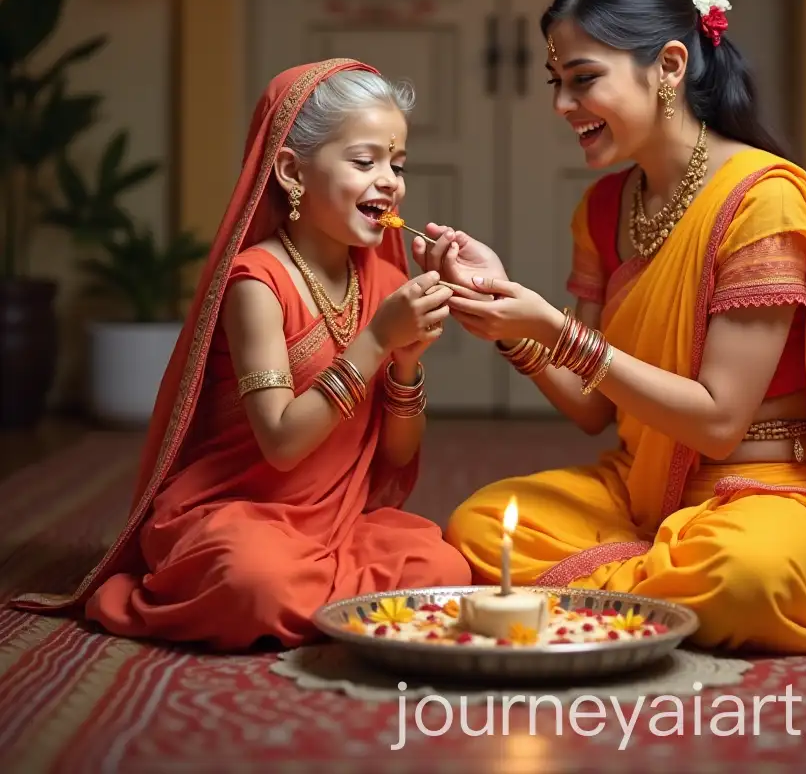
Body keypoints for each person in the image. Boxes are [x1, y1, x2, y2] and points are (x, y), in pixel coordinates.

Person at [415, 0, 806, 654]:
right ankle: (665, 586)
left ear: (671, 66)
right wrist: (505, 319)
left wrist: (554, 331)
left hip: (773, 492)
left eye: (584, 80)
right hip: (647, 491)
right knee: (483, 522)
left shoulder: (762, 199)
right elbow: (594, 410)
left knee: (744, 575)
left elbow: (717, 422)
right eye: (555, 83)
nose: (563, 106)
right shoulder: (602, 209)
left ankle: (667, 583)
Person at [12, 58, 471, 651]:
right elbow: (281, 445)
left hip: (335, 525)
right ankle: (320, 603)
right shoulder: (257, 283)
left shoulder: (381, 281)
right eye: (365, 162)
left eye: (398, 164)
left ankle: (318, 598)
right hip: (240, 514)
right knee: (252, 578)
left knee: (442, 570)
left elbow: (395, 456)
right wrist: (378, 341)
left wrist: (406, 362)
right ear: (290, 170)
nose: (390, 181)